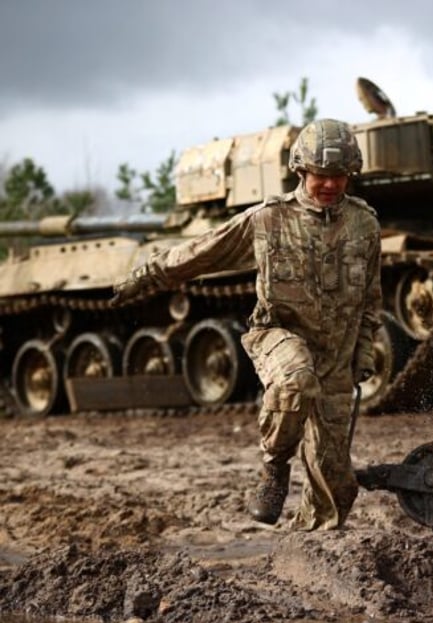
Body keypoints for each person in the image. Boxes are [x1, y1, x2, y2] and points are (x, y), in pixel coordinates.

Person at [112, 119, 382, 531]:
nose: (329, 185)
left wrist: (363, 350)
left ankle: (313, 539)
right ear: (300, 170)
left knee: (336, 486)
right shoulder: (269, 219)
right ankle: (274, 469)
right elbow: (203, 251)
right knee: (295, 381)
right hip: (278, 334)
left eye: (339, 176)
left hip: (337, 351)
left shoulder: (365, 224)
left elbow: (371, 299)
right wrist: (146, 276)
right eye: (321, 176)